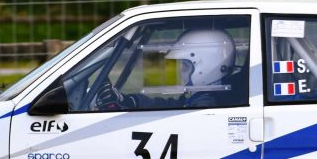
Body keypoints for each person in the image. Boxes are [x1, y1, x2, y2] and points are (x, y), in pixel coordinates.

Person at [95, 29, 243, 109]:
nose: (179, 72)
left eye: (185, 67)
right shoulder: (199, 98)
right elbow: (170, 106)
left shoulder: (205, 107)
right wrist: (131, 101)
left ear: (206, 67)